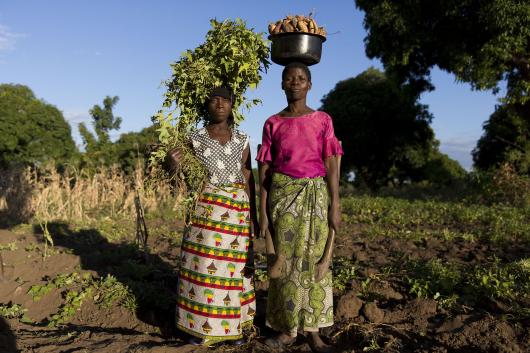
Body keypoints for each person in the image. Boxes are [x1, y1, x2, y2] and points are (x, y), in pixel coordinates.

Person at [256, 62, 343, 353]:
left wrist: (335, 203)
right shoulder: (273, 123)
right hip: (284, 198)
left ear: (309, 85)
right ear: (282, 85)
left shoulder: (322, 120)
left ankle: (313, 331)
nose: (295, 82)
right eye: (289, 78)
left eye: (301, 78)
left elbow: (331, 163)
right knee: (285, 262)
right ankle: (286, 330)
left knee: (315, 259)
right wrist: (263, 210)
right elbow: (265, 169)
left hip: (315, 196)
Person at [167, 86, 258, 346]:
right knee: (205, 269)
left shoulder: (242, 139)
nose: (219, 104)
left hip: (237, 213)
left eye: (225, 100)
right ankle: (199, 330)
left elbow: (248, 177)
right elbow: (181, 182)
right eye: (213, 99)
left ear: (232, 105)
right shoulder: (193, 139)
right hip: (206, 212)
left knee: (233, 271)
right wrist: (172, 165)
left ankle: (232, 331)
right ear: (206, 105)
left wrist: (254, 218)